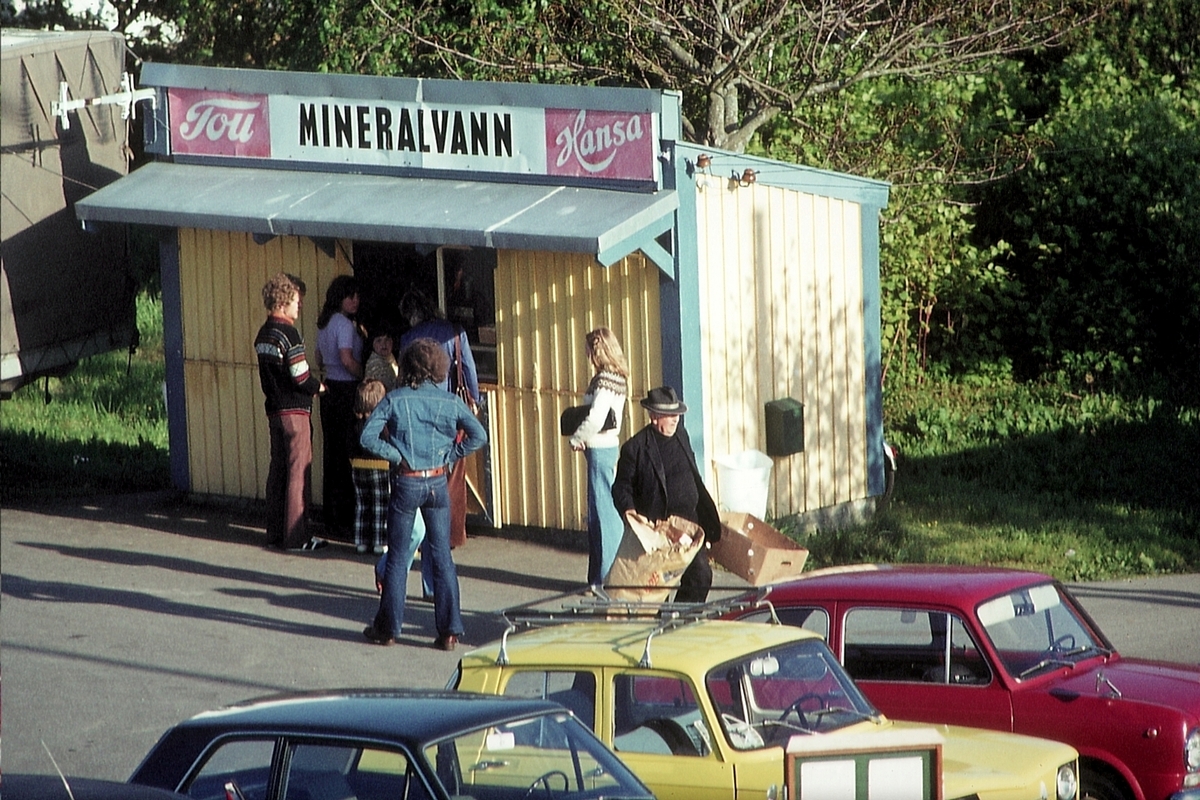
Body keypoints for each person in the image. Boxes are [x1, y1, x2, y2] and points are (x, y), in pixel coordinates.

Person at [359, 338, 487, 650]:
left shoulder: (395, 399)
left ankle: (388, 628)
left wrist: (396, 455)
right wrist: (450, 455)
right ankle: (450, 631)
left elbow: (367, 436)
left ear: (407, 367)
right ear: (438, 369)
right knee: (442, 556)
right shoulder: (449, 401)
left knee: (399, 557)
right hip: (437, 482)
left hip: (407, 481)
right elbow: (479, 435)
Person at [398, 288, 480, 597]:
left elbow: (405, 380)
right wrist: (476, 404)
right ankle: (445, 551)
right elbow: (469, 370)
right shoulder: (455, 332)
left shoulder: (409, 339)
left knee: (420, 492)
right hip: (452, 420)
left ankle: (411, 569)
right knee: (449, 488)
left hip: (420, 419)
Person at [611, 385, 721, 602]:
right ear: (654, 417)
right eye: (669, 415)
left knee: (700, 576)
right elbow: (621, 488)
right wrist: (630, 512)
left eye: (677, 414)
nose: (676, 419)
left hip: (689, 525)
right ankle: (658, 622)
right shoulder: (635, 448)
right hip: (660, 530)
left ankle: (682, 621)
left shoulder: (681, 435)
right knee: (656, 588)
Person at [254, 272, 327, 552]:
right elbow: (300, 375)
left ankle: (274, 533)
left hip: (273, 411)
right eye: (296, 301)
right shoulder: (289, 333)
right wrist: (319, 387)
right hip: (295, 412)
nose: (300, 306)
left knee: (278, 471)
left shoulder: (263, 334)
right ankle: (298, 537)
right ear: (283, 302)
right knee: (299, 472)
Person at [568, 328, 630, 587]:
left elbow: (596, 416)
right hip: (605, 447)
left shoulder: (605, 381)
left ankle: (606, 578)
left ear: (597, 351)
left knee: (603, 515)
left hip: (600, 448)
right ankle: (597, 577)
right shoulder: (617, 378)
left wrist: (577, 437)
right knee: (597, 514)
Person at [315, 275, 363, 540]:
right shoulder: (345, 324)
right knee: (347, 453)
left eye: (357, 296)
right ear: (339, 297)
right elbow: (347, 360)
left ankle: (331, 516)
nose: (355, 301)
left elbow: (318, 357)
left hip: (328, 389)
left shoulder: (323, 323)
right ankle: (346, 517)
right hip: (346, 390)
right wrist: (364, 372)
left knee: (331, 454)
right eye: (350, 296)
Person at [351, 379, 391, 555]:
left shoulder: (355, 422)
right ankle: (379, 541)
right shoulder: (380, 424)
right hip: (380, 466)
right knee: (380, 505)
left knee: (362, 504)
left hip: (357, 466)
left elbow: (348, 444)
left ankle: (361, 541)